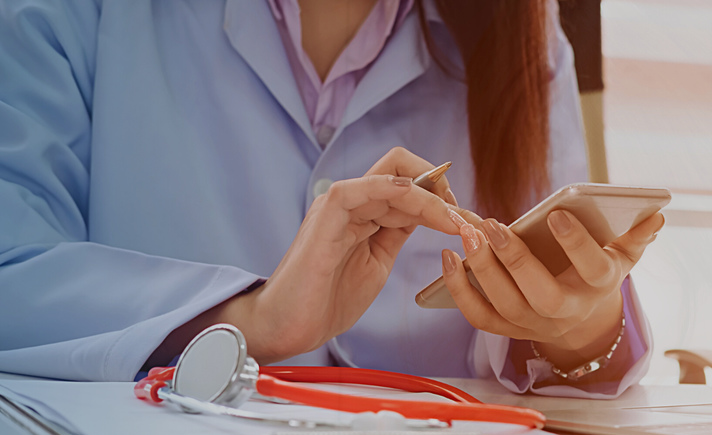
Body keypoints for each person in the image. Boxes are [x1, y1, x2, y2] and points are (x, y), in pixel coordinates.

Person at [0, 0, 661, 398]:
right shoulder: (72, 15)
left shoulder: (527, 42)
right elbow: (13, 275)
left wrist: (583, 331)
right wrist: (250, 320)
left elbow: (556, 330)